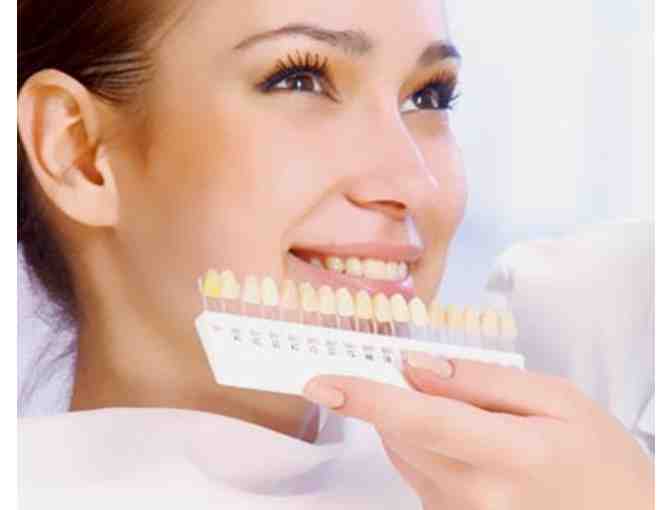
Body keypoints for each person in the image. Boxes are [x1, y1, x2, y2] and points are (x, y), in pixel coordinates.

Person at [17, 1, 654, 508]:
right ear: (77, 152)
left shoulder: (591, 401)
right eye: (300, 79)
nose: (412, 181)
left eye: (429, 96)